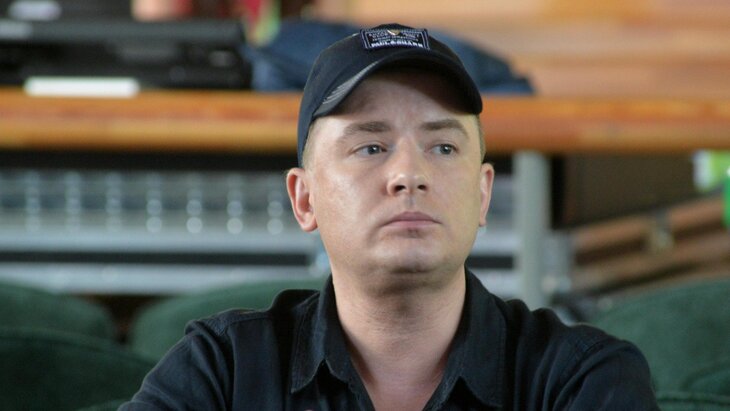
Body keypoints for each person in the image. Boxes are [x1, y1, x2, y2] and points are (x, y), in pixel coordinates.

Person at [120, 23, 659, 410]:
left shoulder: (581, 380)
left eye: (443, 148)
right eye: (371, 147)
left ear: (483, 194)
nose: (409, 175)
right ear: (304, 199)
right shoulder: (224, 371)